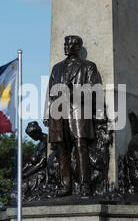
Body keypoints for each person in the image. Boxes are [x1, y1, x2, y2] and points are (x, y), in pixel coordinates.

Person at [44, 35, 104, 197]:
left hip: (78, 109)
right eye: (64, 43)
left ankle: (85, 185)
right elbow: (50, 92)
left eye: (69, 44)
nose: (65, 46)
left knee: (80, 146)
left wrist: (73, 92)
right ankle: (65, 185)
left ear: (77, 47)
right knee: (61, 148)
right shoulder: (56, 68)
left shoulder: (88, 66)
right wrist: (47, 114)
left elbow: (94, 89)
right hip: (58, 110)